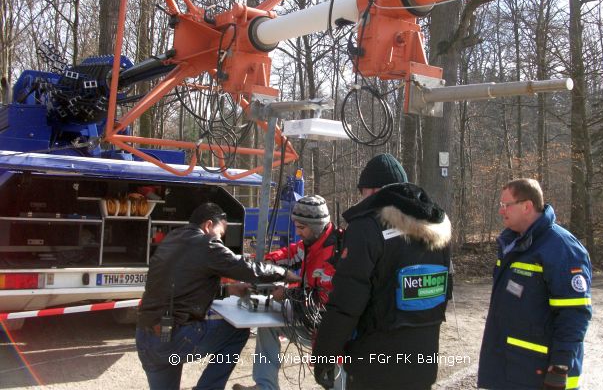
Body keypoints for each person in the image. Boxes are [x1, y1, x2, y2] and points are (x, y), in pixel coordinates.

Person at [312, 154, 453, 390]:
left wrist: (323, 356)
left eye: (363, 191)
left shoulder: (367, 227)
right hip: (423, 361)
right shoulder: (438, 225)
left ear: (373, 190)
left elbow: (346, 303)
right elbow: (442, 291)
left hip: (374, 366)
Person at [136, 202, 299, 390]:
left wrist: (228, 290)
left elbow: (183, 287)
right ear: (207, 226)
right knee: (236, 332)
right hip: (175, 337)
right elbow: (247, 268)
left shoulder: (173, 239)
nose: (221, 238)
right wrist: (284, 273)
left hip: (145, 337)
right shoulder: (206, 243)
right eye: (221, 233)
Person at [477, 178, 592, 390]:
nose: (501, 211)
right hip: (513, 369)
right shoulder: (514, 243)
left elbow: (575, 312)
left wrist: (560, 367)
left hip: (539, 374)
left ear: (527, 206)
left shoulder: (561, 248)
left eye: (505, 205)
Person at [232, 195, 344, 390]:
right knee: (268, 325)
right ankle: (265, 386)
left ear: (317, 225)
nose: (297, 232)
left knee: (336, 381)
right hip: (312, 323)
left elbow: (323, 303)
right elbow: (290, 254)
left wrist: (288, 294)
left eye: (301, 227)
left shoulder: (335, 254)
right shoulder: (312, 243)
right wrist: (266, 265)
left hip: (334, 334)